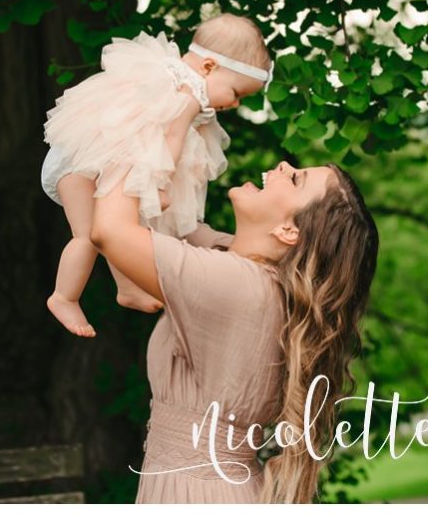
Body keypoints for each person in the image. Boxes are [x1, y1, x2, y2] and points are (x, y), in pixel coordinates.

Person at [94, 147, 380, 503]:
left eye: (295, 178)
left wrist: (122, 133)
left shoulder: (240, 286)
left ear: (288, 230)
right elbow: (178, 223)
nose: (283, 165)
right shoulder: (255, 277)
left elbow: (109, 229)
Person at [41, 14, 274, 338]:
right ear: (208, 67)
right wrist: (159, 183)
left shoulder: (170, 74)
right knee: (87, 236)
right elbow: (172, 139)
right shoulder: (186, 94)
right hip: (82, 162)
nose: (235, 103)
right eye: (236, 92)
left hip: (88, 156)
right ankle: (64, 297)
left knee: (115, 227)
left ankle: (127, 288)